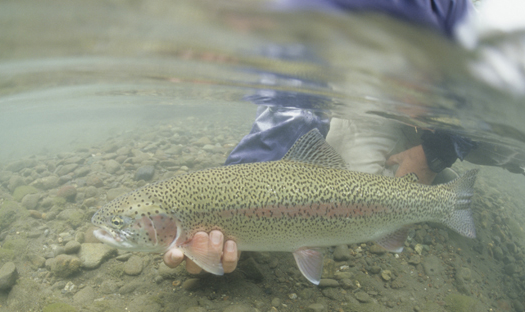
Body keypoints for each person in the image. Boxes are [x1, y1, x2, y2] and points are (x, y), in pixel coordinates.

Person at [163, 0, 480, 274]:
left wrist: (433, 153)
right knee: (352, 180)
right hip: (385, 84)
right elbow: (293, 102)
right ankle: (428, 186)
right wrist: (233, 203)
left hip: (471, 89)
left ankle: (434, 174)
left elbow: (487, 80)